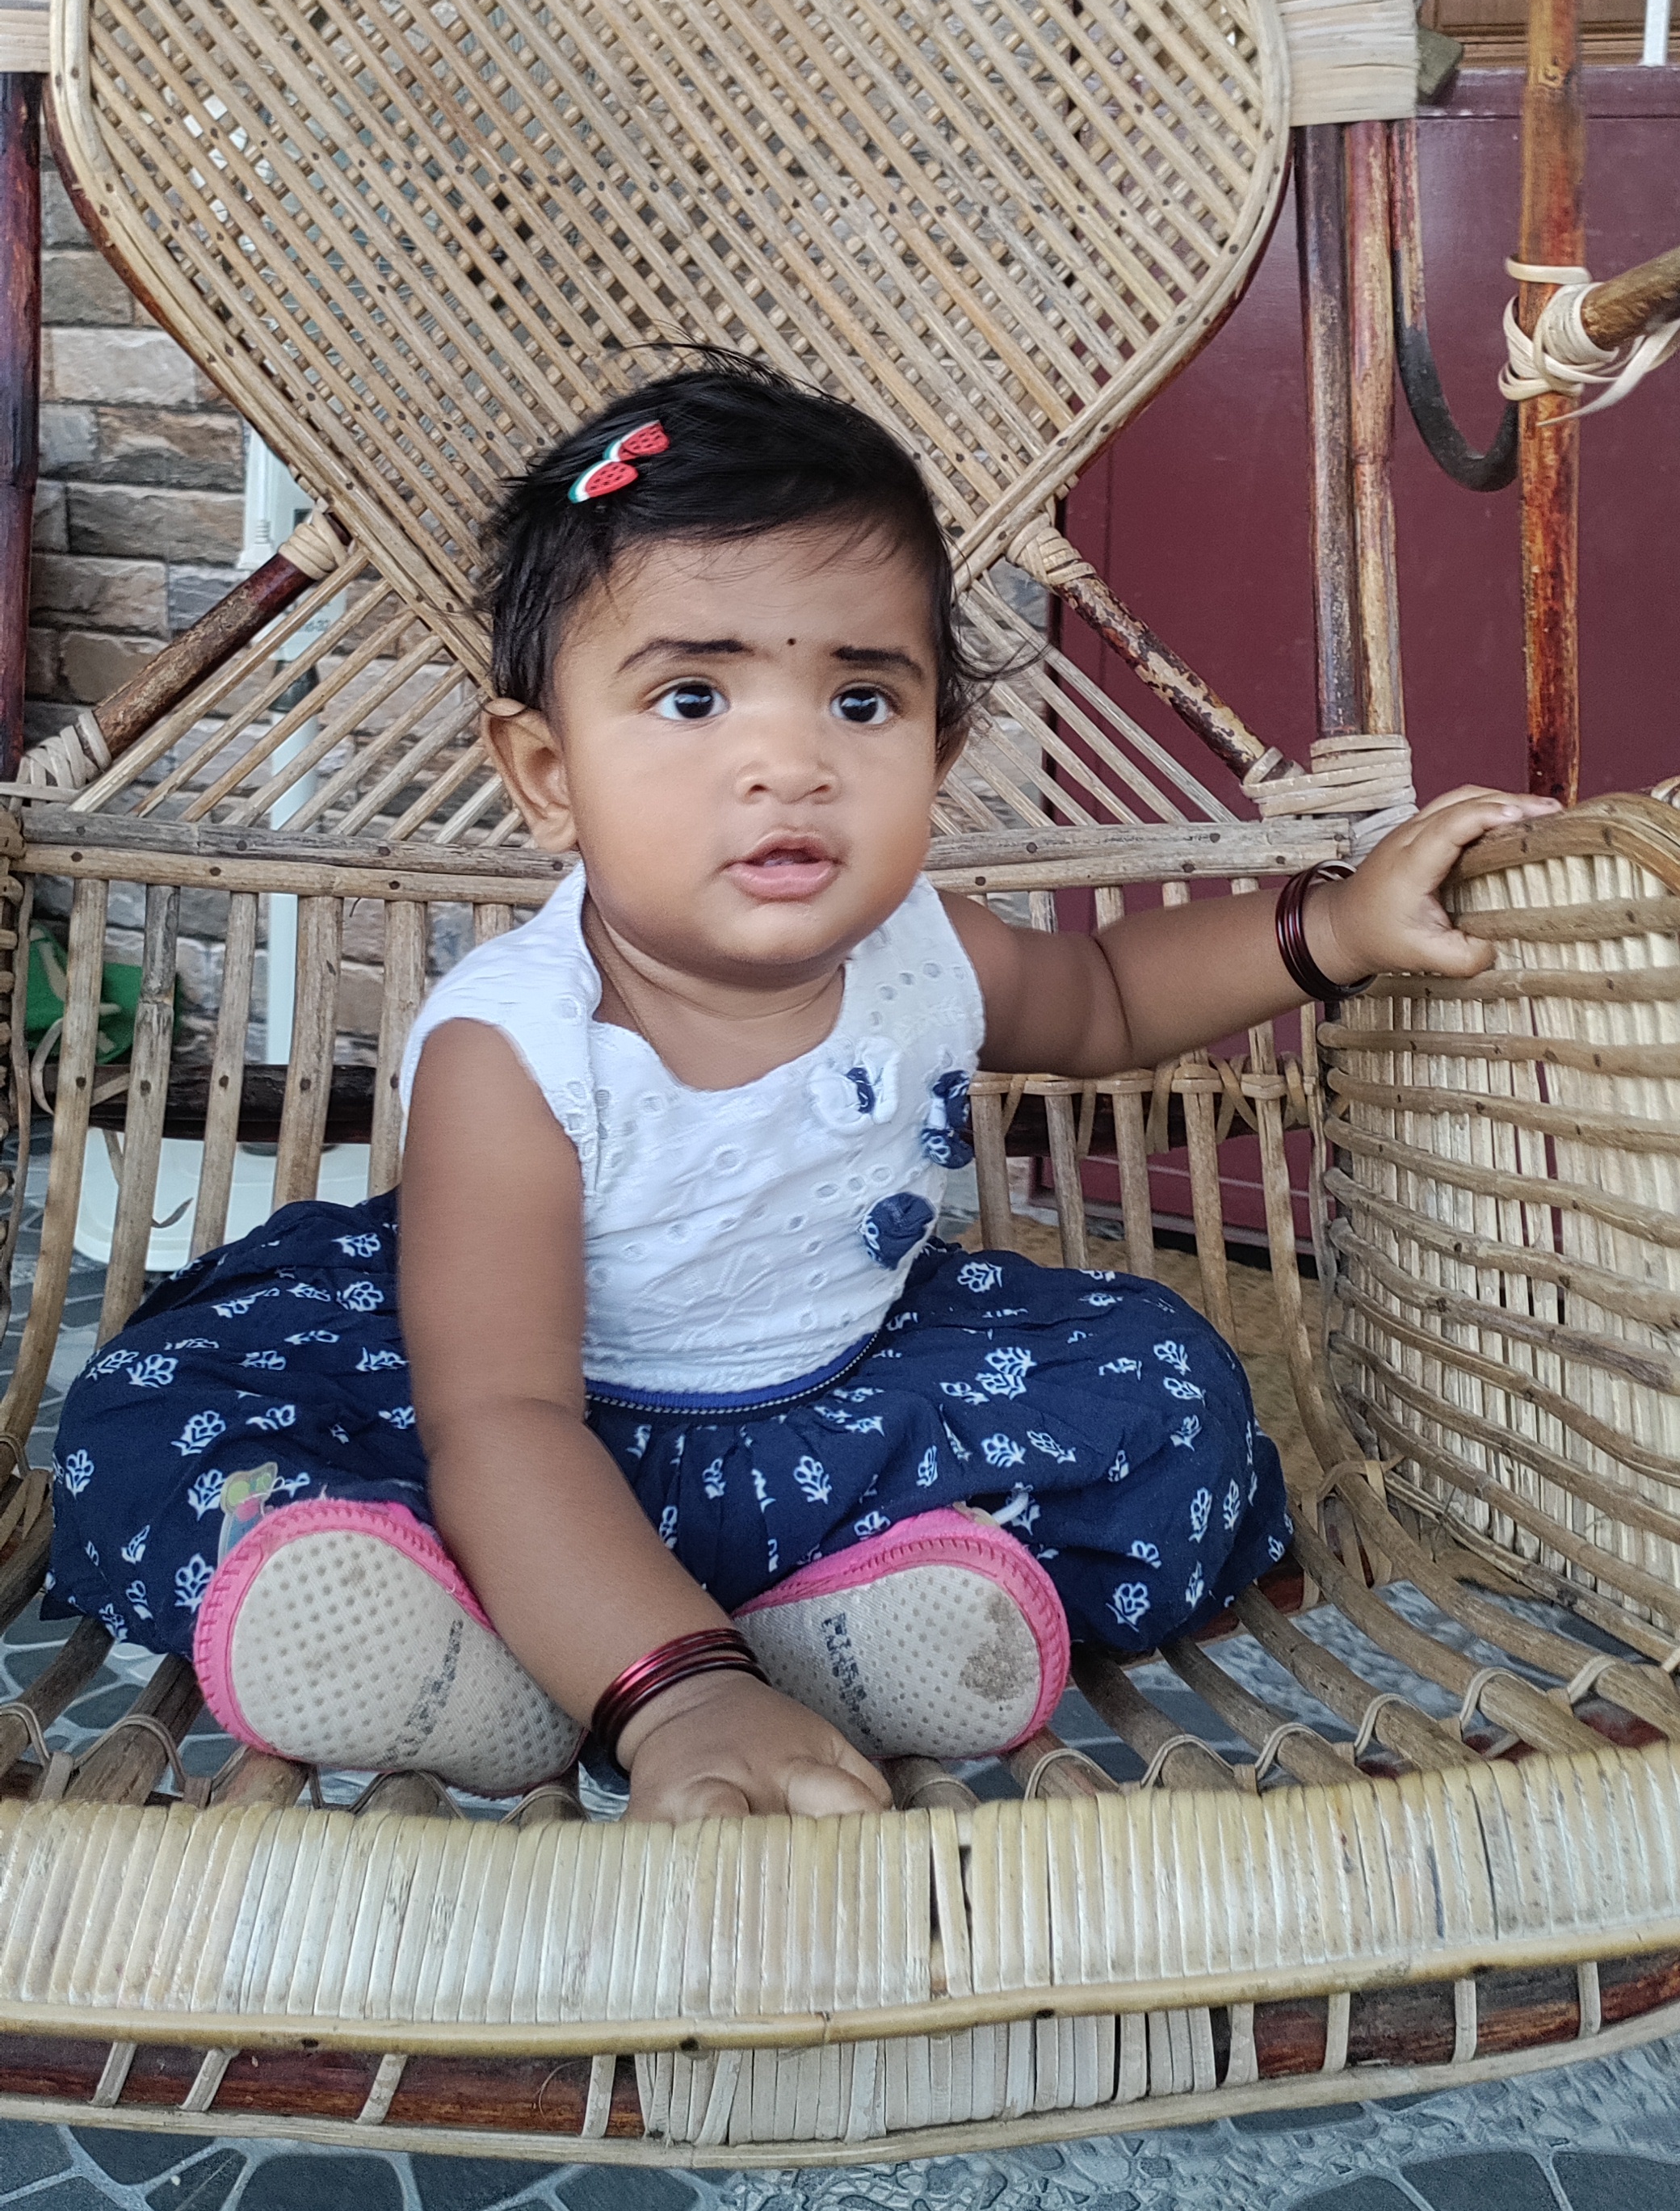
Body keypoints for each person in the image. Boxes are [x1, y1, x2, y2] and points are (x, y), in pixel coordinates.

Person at [47, 359, 1544, 1822]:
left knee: (1171, 1391)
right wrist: (678, 1700)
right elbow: (499, 1417)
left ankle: (838, 1633)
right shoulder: (516, 1051)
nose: (790, 762)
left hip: (841, 1407)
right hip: (523, 1428)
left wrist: (1332, 929)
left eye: (863, 702)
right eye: (694, 697)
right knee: (158, 1424)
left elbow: (1105, 996)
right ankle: (512, 1664)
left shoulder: (925, 949)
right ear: (547, 774)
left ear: (940, 747)